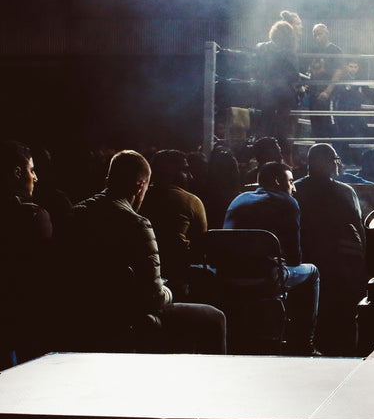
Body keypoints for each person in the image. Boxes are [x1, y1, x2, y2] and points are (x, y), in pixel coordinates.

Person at [66, 150, 226, 354]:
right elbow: (153, 298)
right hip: (125, 319)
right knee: (215, 318)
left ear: (108, 180)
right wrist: (168, 291)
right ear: (140, 185)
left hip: (80, 317)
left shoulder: (75, 213)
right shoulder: (136, 224)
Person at [224, 160, 322, 356]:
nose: (294, 188)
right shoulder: (287, 202)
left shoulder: (239, 199)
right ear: (278, 181)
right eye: (291, 182)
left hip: (227, 277)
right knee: (312, 272)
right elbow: (295, 259)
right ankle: (305, 342)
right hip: (265, 278)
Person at [293, 144, 364, 355]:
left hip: (303, 259)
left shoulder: (296, 189)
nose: (337, 163)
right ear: (322, 162)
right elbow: (358, 230)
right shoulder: (344, 192)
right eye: (334, 159)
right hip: (338, 265)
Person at [1, 140, 53, 366]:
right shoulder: (32, 216)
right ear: (17, 172)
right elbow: (45, 275)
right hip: (23, 322)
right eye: (32, 170)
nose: (36, 177)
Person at [139, 149, 207, 297]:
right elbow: (201, 245)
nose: (191, 176)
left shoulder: (139, 199)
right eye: (185, 171)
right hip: (177, 279)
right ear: (171, 173)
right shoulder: (191, 201)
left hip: (139, 276)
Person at [254, 14, 303, 146]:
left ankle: (263, 153)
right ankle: (281, 154)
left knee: (265, 123)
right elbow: (294, 75)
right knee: (283, 126)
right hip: (284, 93)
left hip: (267, 91)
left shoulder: (264, 48)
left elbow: (258, 70)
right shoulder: (289, 51)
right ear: (289, 36)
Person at [301, 23, 343, 141]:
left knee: (329, 124)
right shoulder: (313, 50)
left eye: (319, 34)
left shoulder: (335, 50)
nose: (317, 37)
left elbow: (338, 73)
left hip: (329, 93)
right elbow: (309, 70)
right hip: (314, 91)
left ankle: (329, 154)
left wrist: (327, 91)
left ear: (327, 34)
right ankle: (317, 153)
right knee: (315, 124)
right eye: (315, 34)